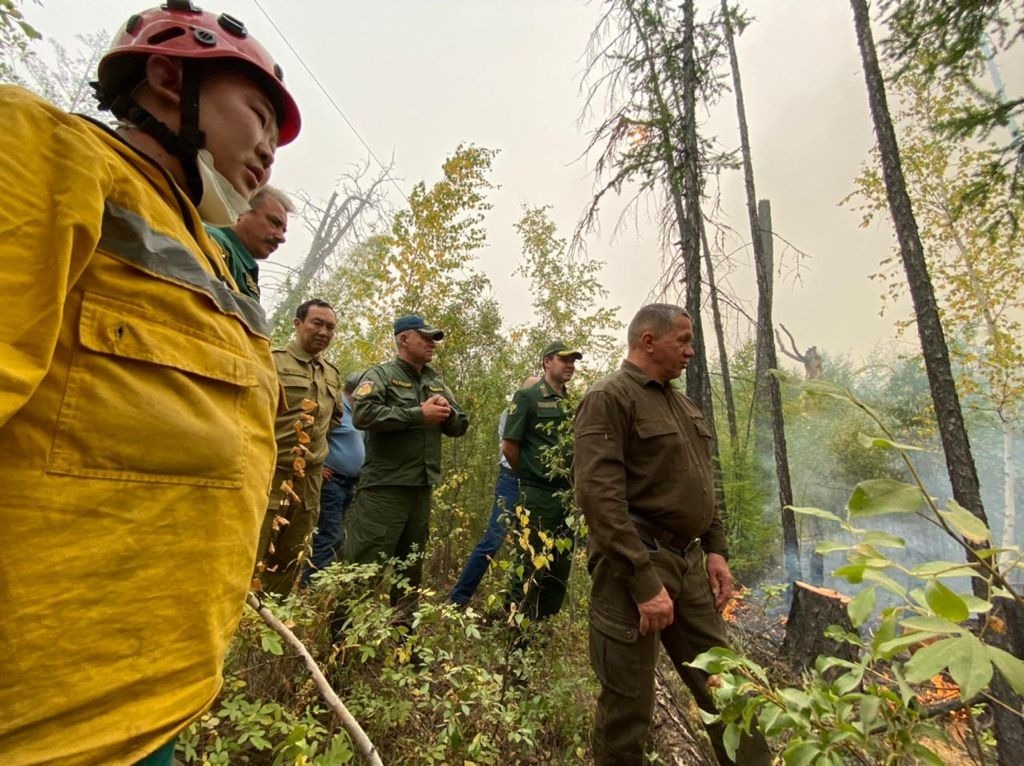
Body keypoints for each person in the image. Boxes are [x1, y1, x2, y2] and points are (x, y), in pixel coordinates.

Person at [0, 2, 300, 762]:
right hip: (46, 727)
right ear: (168, 79)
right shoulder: (45, 152)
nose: (269, 150)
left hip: (157, 707)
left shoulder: (206, 254)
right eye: (260, 115)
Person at [573, 304, 770, 766]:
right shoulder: (609, 397)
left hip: (689, 563)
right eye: (682, 340)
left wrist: (716, 551)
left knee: (728, 688)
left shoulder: (682, 403)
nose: (691, 351)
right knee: (628, 707)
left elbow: (702, 483)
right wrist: (644, 583)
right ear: (647, 341)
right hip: (634, 564)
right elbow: (598, 499)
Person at [344, 314, 469, 616]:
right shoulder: (380, 375)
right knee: (364, 571)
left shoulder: (434, 380)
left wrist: (447, 413)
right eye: (425, 337)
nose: (432, 344)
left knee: (410, 573)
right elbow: (363, 415)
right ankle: (340, 650)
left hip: (420, 490)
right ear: (403, 339)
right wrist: (417, 414)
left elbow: (459, 425)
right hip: (383, 490)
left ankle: (406, 650)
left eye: (434, 338)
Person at [256, 299, 343, 596]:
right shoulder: (272, 361)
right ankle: (239, 624)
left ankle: (271, 622)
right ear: (297, 323)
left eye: (330, 327)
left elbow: (332, 421)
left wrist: (318, 458)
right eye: (317, 323)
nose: (324, 332)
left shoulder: (331, 373)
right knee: (254, 550)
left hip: (309, 483)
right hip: (271, 476)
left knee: (290, 556)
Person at [505, 342, 582, 621]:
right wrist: (529, 475)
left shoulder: (571, 401)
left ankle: (542, 625)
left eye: (574, 360)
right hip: (537, 493)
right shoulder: (527, 396)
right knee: (530, 562)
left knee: (559, 566)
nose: (570, 365)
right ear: (547, 362)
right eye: (564, 360)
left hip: (566, 497)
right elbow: (510, 446)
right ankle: (517, 629)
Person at [449, 374, 540, 608]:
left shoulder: (543, 412)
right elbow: (510, 448)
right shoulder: (511, 413)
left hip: (534, 484)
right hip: (511, 479)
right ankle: (458, 599)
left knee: (530, 546)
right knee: (493, 540)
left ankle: (517, 605)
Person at [305, 371, 366, 582]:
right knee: (330, 535)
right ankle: (309, 586)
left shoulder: (358, 413)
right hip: (332, 484)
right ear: (356, 391)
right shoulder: (336, 409)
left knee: (337, 536)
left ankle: (316, 583)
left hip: (350, 486)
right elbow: (311, 434)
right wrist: (317, 466)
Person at [205, 185, 294, 299]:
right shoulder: (215, 242)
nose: (281, 238)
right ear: (241, 211)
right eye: (274, 223)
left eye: (283, 230)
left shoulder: (240, 263)